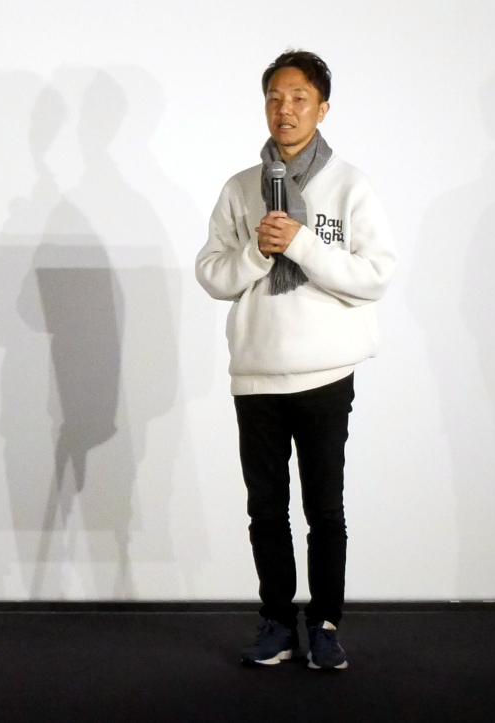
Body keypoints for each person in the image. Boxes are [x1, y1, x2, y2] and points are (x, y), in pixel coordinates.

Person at [195, 50, 396, 670]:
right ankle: (277, 622)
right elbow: (212, 274)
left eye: (299, 98)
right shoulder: (240, 188)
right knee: (265, 509)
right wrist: (258, 253)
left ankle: (326, 623)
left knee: (324, 509)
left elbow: (375, 275)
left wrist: (302, 243)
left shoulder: (350, 185)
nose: (285, 109)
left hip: (325, 373)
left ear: (322, 108)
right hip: (256, 373)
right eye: (275, 98)